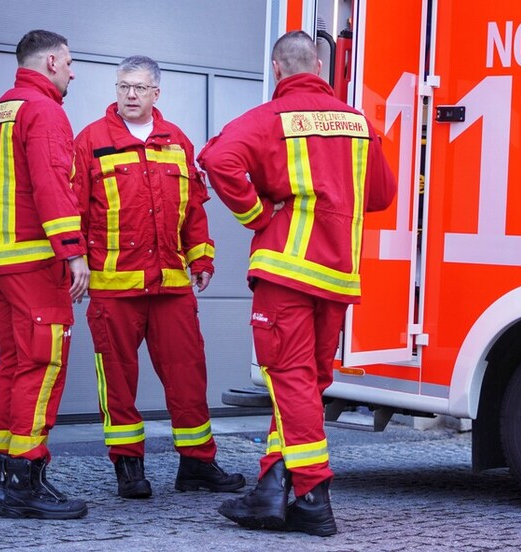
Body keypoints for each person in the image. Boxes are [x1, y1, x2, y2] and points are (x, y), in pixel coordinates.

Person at [197, 31, 396, 536]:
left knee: (290, 383)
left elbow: (217, 159)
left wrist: (258, 213)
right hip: (337, 277)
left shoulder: (270, 118)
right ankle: (269, 489)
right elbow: (381, 195)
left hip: (286, 271)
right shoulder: (358, 122)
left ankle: (311, 496)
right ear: (321, 67)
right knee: (305, 386)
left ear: (278, 69)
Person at [72, 55, 245, 499]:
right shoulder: (90, 141)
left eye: (138, 88)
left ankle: (197, 465)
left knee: (189, 375)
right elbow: (73, 211)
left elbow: (193, 210)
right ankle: (129, 467)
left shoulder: (177, 143)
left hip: (170, 286)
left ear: (155, 94)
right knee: (118, 380)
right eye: (123, 87)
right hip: (113, 288)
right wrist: (74, 261)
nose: (130, 95)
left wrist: (202, 259)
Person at [0, 29, 89, 520]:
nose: (73, 72)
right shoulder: (44, 110)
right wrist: (73, 252)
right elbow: (52, 184)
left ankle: (7, 475)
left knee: (14, 363)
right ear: (53, 61)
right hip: (36, 263)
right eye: (71, 62)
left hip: (1, 264)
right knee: (42, 363)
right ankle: (23, 482)